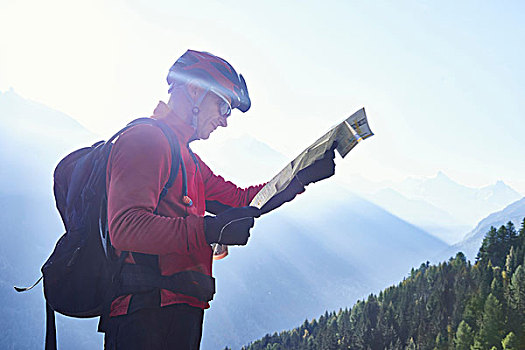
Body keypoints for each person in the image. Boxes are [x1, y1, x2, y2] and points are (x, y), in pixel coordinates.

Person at [103, 50, 336, 349]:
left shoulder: (186, 158)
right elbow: (125, 227)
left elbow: (241, 201)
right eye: (223, 106)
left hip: (177, 311)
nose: (225, 122)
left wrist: (299, 177)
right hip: (145, 314)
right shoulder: (146, 140)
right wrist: (210, 230)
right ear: (196, 90)